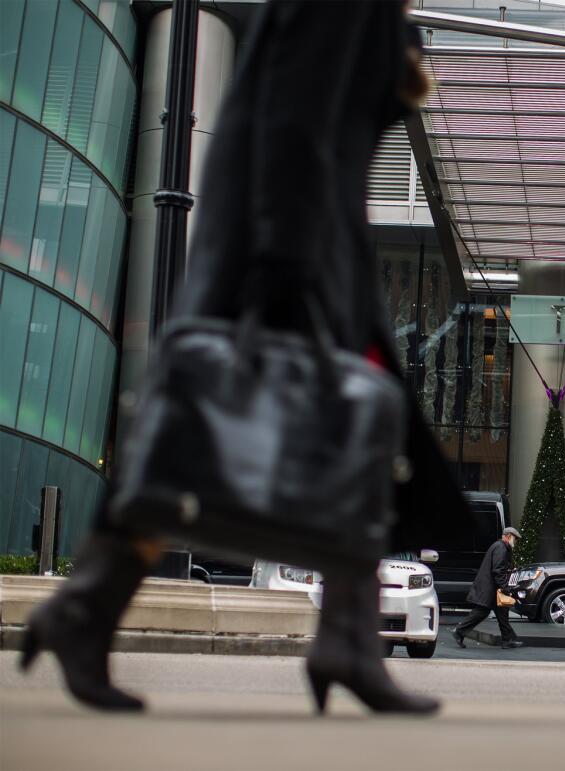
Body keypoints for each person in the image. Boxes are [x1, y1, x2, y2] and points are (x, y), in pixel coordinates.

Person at [20, 0, 473, 716]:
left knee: (333, 436)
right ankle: (97, 608)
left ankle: (337, 639)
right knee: (223, 436)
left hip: (308, 241)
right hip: (288, 242)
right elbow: (288, 118)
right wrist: (282, 265)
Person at [453, 527, 525, 649]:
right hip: (490, 589)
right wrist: (505, 588)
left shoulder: (500, 547)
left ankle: (507, 640)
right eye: (515, 539)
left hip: (492, 588)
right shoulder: (501, 548)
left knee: (502, 613)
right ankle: (459, 631)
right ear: (508, 536)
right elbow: (498, 570)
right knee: (482, 612)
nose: (515, 542)